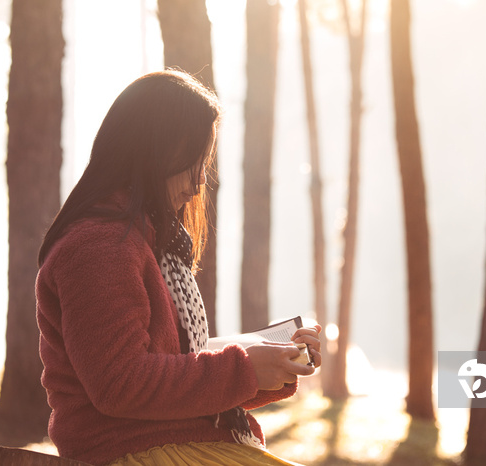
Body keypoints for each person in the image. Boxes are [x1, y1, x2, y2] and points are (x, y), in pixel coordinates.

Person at [36, 70, 322, 466]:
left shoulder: (143, 241)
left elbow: (177, 364)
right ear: (154, 154)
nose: (200, 182)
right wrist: (245, 368)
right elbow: (121, 383)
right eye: (193, 163)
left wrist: (270, 360)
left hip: (171, 443)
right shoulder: (99, 246)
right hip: (133, 452)